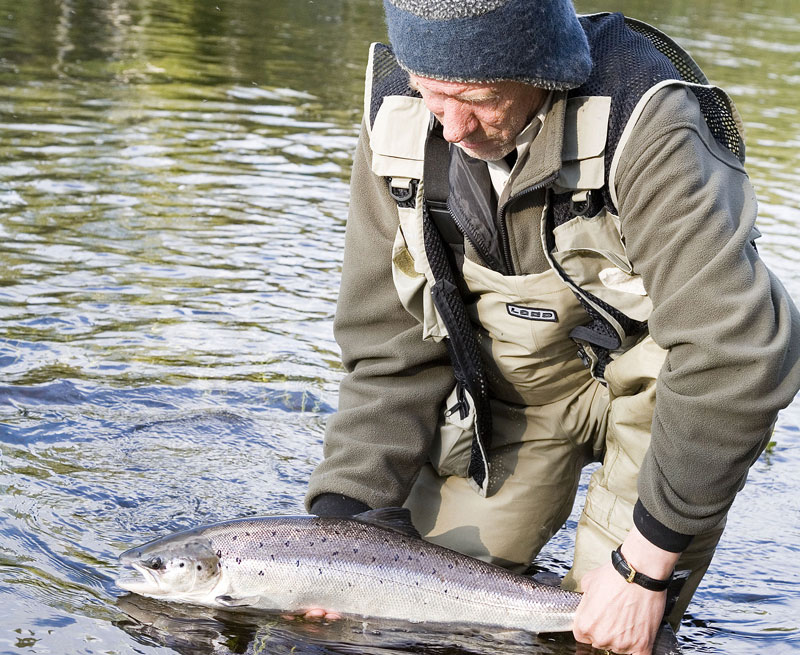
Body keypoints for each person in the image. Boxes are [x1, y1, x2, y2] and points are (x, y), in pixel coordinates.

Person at [305, 1, 800, 653]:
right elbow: (386, 348)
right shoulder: (399, 117)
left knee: (604, 633)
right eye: (430, 93)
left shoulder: (643, 116)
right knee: (410, 617)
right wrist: (338, 530)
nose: (449, 127)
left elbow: (734, 354)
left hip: (667, 398)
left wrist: (643, 569)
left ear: (542, 67)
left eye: (475, 97)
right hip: (511, 395)